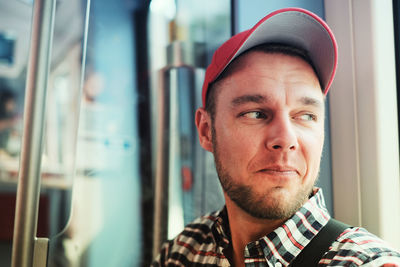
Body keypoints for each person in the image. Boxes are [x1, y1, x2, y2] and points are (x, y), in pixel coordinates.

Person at [152, 7, 400, 266]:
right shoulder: (183, 251)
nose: (286, 138)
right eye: (256, 114)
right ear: (206, 130)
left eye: (306, 115)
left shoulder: (364, 261)